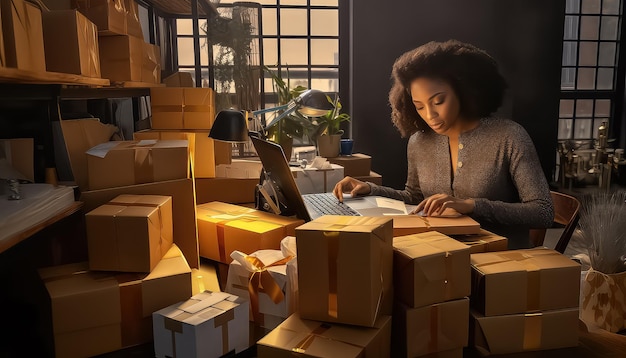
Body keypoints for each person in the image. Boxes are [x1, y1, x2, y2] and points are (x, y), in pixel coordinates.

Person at [333, 39, 554, 249]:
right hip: (440, 253)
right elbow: (415, 198)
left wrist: (471, 205)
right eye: (419, 106)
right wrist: (371, 190)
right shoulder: (419, 141)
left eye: (438, 101)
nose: (430, 115)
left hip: (499, 260)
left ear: (463, 90)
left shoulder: (508, 136)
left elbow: (543, 212)